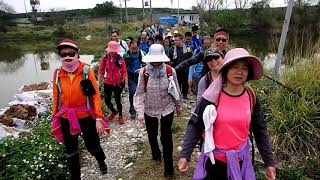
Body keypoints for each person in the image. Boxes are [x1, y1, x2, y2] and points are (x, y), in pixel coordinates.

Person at [178, 48, 276, 180]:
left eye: (244, 68)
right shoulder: (212, 97)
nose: (240, 72)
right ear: (226, 70)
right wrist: (185, 154)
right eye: (235, 67)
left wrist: (269, 162)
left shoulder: (251, 96)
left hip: (241, 161)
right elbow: (195, 125)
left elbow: (260, 129)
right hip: (215, 162)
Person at [51, 39, 109, 180]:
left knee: (92, 146)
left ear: (77, 54)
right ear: (60, 56)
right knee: (71, 151)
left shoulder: (86, 70)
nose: (67, 57)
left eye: (71, 53)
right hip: (66, 117)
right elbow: (56, 97)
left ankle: (101, 160)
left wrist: (99, 118)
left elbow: (95, 95)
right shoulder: (58, 73)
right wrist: (54, 117)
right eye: (63, 54)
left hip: (85, 116)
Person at [134, 44, 181, 178]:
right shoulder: (144, 73)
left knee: (166, 137)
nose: (155, 62)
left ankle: (169, 168)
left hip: (167, 108)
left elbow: (175, 89)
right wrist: (140, 112)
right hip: (150, 109)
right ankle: (155, 154)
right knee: (152, 134)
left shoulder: (170, 71)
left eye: (158, 59)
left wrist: (178, 106)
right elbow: (139, 93)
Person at [98, 41, 128, 124]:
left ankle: (120, 115)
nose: (113, 53)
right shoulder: (105, 58)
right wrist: (98, 81)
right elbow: (101, 70)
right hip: (107, 81)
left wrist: (126, 83)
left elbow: (124, 71)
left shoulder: (120, 58)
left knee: (118, 99)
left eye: (114, 51)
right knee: (107, 100)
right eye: (111, 51)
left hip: (118, 82)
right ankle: (114, 111)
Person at [123, 40, 145, 119]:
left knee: (141, 93)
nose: (134, 50)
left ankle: (141, 109)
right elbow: (123, 66)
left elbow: (146, 65)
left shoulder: (142, 54)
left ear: (138, 47)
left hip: (140, 76)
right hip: (130, 76)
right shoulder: (126, 54)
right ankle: (132, 110)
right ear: (130, 47)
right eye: (132, 48)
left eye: (135, 48)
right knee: (132, 92)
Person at [170, 34, 193, 99]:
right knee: (177, 82)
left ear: (181, 40)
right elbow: (170, 60)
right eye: (174, 40)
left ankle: (185, 94)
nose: (175, 42)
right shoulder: (172, 49)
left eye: (177, 40)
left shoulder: (188, 48)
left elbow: (191, 57)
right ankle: (178, 95)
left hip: (185, 68)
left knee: (185, 82)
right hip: (176, 69)